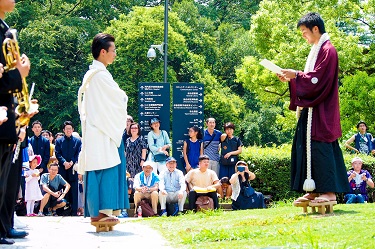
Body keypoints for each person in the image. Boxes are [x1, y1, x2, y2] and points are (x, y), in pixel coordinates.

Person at [277, 12, 350, 204]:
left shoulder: (328, 50)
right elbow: (312, 78)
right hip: (312, 109)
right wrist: (292, 78)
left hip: (322, 110)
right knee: (307, 147)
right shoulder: (318, 49)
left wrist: (297, 76)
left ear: (315, 29)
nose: (303, 36)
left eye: (304, 31)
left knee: (321, 148)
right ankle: (314, 190)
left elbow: (319, 80)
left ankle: (329, 192)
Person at [77, 33, 129, 225]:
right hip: (102, 130)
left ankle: (101, 212)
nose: (115, 54)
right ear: (103, 52)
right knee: (104, 168)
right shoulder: (99, 76)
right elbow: (117, 100)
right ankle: (100, 212)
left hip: (98, 129)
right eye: (113, 50)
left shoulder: (95, 74)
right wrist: (124, 96)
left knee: (101, 168)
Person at [0, 0, 32, 243]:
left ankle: (4, 225)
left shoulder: (5, 28)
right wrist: (17, 73)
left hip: (8, 113)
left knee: (7, 182)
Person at [55, 121, 82, 216]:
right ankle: (61, 210)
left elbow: (78, 153)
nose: (68, 130)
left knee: (74, 190)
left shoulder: (77, 141)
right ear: (64, 130)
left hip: (73, 168)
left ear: (73, 129)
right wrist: (64, 162)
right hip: (63, 168)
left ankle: (74, 211)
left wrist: (71, 162)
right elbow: (57, 153)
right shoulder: (59, 141)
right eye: (66, 129)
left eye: (70, 128)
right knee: (62, 188)